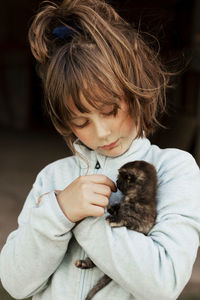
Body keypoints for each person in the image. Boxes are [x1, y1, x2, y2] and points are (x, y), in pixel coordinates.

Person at [1, 0, 200, 299]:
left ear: (137, 90)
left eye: (110, 111)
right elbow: (15, 284)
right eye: (81, 122)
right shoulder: (53, 178)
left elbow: (163, 283)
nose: (102, 132)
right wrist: (59, 213)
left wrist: (87, 223)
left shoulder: (175, 170)